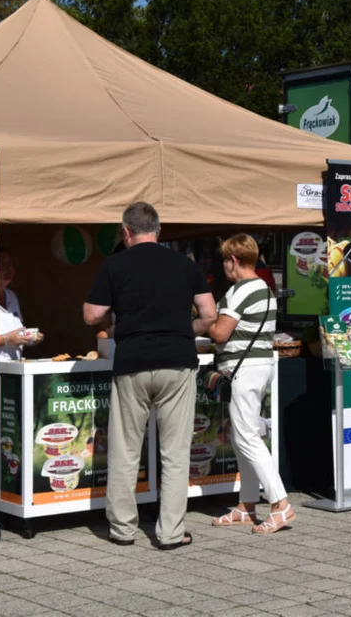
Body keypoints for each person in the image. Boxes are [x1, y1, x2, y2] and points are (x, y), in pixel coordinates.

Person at [83, 202, 217, 550]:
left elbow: (90, 315)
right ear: (158, 230)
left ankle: (123, 530)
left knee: (126, 450)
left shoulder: (114, 264)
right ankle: (171, 533)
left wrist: (113, 320)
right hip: (178, 361)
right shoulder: (184, 265)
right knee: (175, 453)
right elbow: (209, 313)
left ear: (126, 232)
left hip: (133, 362)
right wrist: (183, 328)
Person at [207, 234, 294, 534]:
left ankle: (280, 504)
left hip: (244, 370)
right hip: (261, 366)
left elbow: (220, 333)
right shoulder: (266, 290)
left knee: (246, 437)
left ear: (233, 260)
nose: (223, 267)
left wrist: (206, 322)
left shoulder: (239, 291)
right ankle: (247, 505)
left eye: (224, 261)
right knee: (243, 436)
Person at [0, 248, 43, 360]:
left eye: (10, 264)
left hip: (14, 369)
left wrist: (30, 338)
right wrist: (5, 340)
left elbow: (18, 333)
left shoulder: (11, 296)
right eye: (1, 263)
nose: (9, 269)